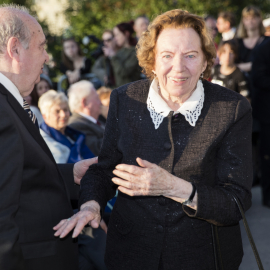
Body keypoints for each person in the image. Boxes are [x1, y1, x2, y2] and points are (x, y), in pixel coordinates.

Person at [54, 9, 253, 270]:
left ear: (205, 61)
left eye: (191, 55)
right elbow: (105, 170)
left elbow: (236, 201)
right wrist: (91, 205)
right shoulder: (125, 99)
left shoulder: (231, 108)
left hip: (203, 257)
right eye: (167, 55)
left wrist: (172, 186)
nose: (178, 67)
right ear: (152, 62)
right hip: (131, 254)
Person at [0, 4, 97, 270]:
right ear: (15, 48)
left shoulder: (10, 103)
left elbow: (21, 177)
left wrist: (71, 173)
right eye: (42, 47)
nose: (47, 58)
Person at [39, 90, 95, 163]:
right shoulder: (43, 140)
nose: (63, 115)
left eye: (65, 110)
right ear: (45, 116)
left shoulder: (74, 135)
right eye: (57, 111)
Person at [252, 38, 270, 208]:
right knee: (267, 155)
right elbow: (258, 77)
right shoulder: (263, 49)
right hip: (267, 113)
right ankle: (268, 195)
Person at [235, 6, 268, 90]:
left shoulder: (267, 42)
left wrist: (244, 66)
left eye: (253, 18)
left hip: (262, 89)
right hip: (241, 88)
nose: (250, 21)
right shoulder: (236, 42)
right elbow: (230, 65)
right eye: (247, 18)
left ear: (259, 19)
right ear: (243, 21)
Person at [68, 80, 104, 156]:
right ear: (85, 103)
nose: (100, 103)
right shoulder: (75, 125)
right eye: (97, 98)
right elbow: (99, 150)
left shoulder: (99, 119)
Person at [104, 22, 141, 88]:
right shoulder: (119, 52)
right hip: (119, 90)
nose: (115, 38)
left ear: (126, 34)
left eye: (117, 35)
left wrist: (113, 56)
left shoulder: (136, 52)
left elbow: (124, 72)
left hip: (131, 91)